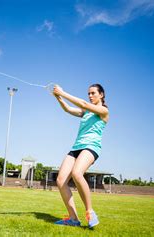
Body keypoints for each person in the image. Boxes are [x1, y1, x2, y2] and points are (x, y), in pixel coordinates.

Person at [52, 83, 109, 228]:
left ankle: (90, 212)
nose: (90, 96)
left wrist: (63, 92)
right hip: (77, 147)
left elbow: (82, 103)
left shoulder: (103, 111)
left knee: (77, 173)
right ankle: (73, 219)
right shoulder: (86, 112)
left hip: (91, 147)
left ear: (101, 95)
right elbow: (68, 109)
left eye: (93, 93)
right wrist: (59, 98)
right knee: (60, 180)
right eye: (88, 93)